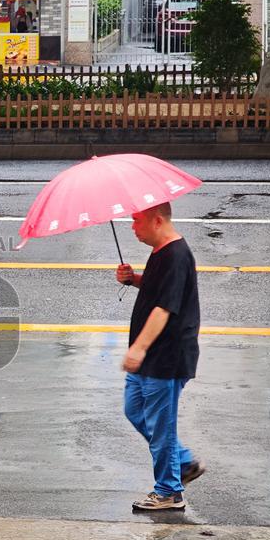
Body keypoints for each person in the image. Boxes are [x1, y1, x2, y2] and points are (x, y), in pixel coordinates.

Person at [116, 202, 206, 511]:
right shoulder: (160, 251)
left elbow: (164, 308)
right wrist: (134, 279)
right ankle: (182, 462)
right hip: (150, 357)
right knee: (135, 411)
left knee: (160, 425)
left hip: (165, 357)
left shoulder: (176, 255)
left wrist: (138, 348)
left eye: (136, 220)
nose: (132, 226)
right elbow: (159, 289)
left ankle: (169, 491)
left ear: (156, 221)